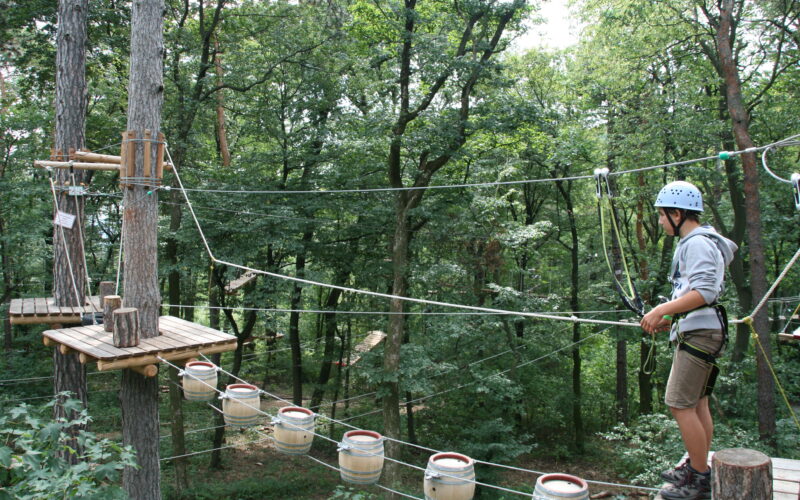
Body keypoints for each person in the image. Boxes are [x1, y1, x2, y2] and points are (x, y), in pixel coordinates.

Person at [640, 181, 738, 500]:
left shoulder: (696, 243)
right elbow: (695, 295)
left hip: (700, 333)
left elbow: (705, 292)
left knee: (678, 403)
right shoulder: (696, 241)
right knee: (697, 403)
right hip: (702, 328)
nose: (659, 221)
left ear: (677, 214)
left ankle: (699, 477)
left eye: (661, 216)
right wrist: (668, 317)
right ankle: (697, 464)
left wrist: (662, 309)